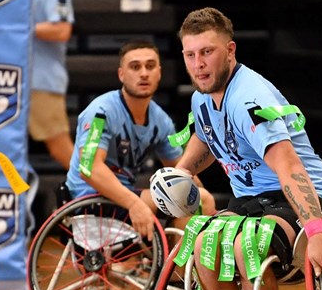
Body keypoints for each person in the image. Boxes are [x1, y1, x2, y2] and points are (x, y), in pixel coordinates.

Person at [174, 7, 322, 290]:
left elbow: (288, 167)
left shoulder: (249, 98)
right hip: (252, 203)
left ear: (230, 50)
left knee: (245, 243)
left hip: (305, 200)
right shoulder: (202, 97)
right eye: (191, 55)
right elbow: (205, 140)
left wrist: (316, 231)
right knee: (203, 241)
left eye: (207, 52)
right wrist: (179, 173)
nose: (199, 64)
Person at [65, 40, 215, 242]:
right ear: (121, 74)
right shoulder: (100, 112)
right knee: (198, 199)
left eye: (150, 66)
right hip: (90, 198)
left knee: (198, 199)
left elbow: (182, 170)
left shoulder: (160, 119)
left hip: (124, 198)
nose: (144, 73)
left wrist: (208, 205)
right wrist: (134, 204)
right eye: (135, 67)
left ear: (159, 73)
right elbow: (89, 168)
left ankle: (172, 271)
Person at [29, 0, 75, 170]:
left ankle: (108, 194)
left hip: (42, 81)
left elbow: (62, 29)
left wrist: (18, 28)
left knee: (60, 148)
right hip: (9, 81)